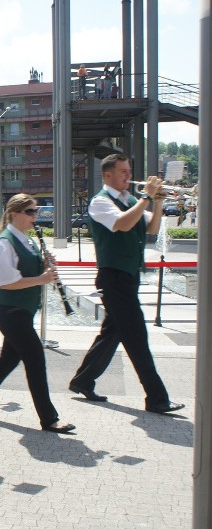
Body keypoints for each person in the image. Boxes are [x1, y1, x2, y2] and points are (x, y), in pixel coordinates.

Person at [69, 154, 185, 414]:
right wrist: (147, 198)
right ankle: (156, 398)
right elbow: (122, 224)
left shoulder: (130, 201)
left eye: (128, 170)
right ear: (107, 175)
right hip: (113, 278)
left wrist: (157, 202)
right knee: (136, 336)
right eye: (122, 171)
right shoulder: (100, 202)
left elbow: (151, 230)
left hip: (128, 276)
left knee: (113, 333)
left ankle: (83, 380)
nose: (127, 175)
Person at [0, 194, 75, 433]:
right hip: (10, 312)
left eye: (35, 212)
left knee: (8, 360)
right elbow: (6, 282)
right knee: (35, 359)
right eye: (31, 212)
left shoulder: (27, 240)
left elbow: (29, 272)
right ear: (14, 213)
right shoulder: (3, 243)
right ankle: (49, 418)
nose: (35, 216)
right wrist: (42, 278)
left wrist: (45, 266)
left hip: (22, 312)